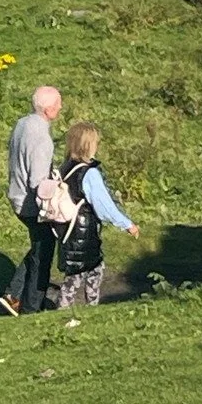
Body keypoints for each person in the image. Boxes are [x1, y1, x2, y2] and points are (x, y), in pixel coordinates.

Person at [54, 120, 138, 311]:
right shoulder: (89, 173)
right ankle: (90, 308)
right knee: (91, 270)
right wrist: (126, 224)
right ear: (88, 145)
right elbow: (104, 206)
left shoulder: (65, 167)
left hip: (67, 229)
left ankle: (67, 308)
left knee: (75, 272)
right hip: (85, 231)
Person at [0, 84, 62, 316]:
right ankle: (31, 305)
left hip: (16, 195)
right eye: (58, 104)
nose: (60, 107)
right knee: (44, 251)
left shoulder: (22, 124)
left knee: (40, 245)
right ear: (48, 109)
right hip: (30, 204)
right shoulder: (42, 138)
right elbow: (38, 183)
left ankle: (14, 294)